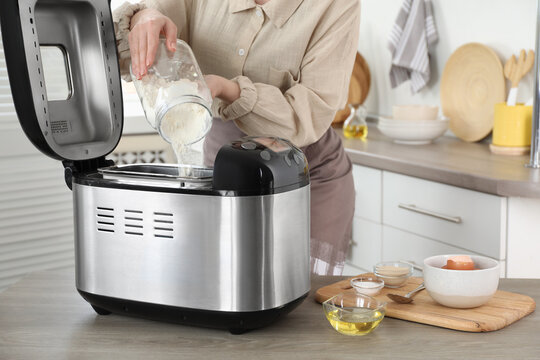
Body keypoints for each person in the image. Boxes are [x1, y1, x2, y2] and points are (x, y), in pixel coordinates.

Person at [113, 0, 360, 275]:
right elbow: (144, 30)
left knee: (299, 297)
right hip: (224, 169)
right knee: (228, 284)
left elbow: (310, 113)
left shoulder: (336, 5)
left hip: (306, 173)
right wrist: (144, 16)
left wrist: (229, 89)